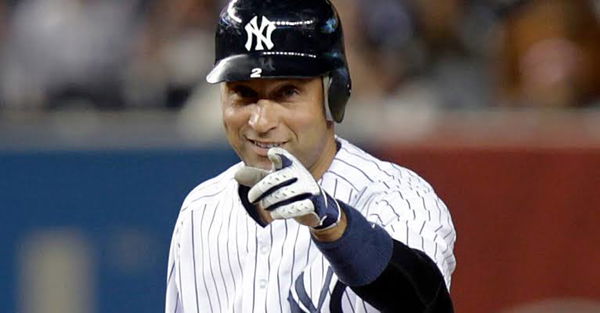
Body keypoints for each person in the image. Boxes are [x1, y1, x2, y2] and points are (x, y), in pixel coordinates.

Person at [165, 0, 456, 312]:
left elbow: (428, 305)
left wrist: (337, 227)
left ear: (334, 95)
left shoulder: (397, 197)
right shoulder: (200, 211)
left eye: (287, 92)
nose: (261, 122)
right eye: (244, 94)